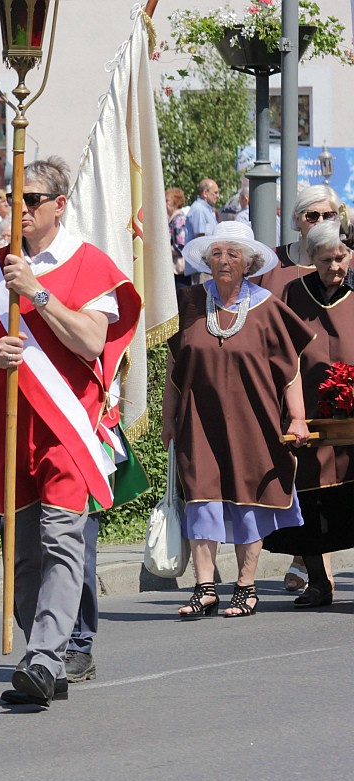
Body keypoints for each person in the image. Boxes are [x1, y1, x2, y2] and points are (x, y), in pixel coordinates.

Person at [0, 156, 140, 706]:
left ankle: (42, 657)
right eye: (14, 199)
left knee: (62, 542)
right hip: (4, 429)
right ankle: (48, 653)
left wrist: (36, 291)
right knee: (23, 552)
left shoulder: (90, 265)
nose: (21, 210)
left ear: (59, 205)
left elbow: (90, 340)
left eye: (32, 200)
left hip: (64, 430)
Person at [164, 221, 312, 618]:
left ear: (247, 263)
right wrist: (167, 417)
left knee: (250, 501)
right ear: (207, 260)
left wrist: (297, 417)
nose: (224, 261)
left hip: (254, 420)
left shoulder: (266, 307)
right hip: (199, 419)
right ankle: (204, 587)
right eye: (217, 254)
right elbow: (174, 365)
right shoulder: (191, 302)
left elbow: (290, 370)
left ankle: (246, 587)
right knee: (201, 498)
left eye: (232, 254)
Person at [262, 221, 354, 607]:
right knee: (311, 503)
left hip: (352, 417)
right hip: (308, 415)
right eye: (327, 259)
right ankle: (318, 582)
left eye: (341, 257)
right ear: (311, 259)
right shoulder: (291, 296)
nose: (335, 266)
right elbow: (281, 354)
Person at [256, 184, 341, 299]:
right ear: (297, 220)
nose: (320, 222)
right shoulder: (271, 260)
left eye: (328, 216)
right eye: (312, 216)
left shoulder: (349, 263)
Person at [166, 188, 189, 287]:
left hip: (179, 270)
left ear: (176, 202)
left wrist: (164, 251)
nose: (164, 204)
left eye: (167, 201)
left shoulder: (179, 219)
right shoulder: (173, 218)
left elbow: (181, 245)